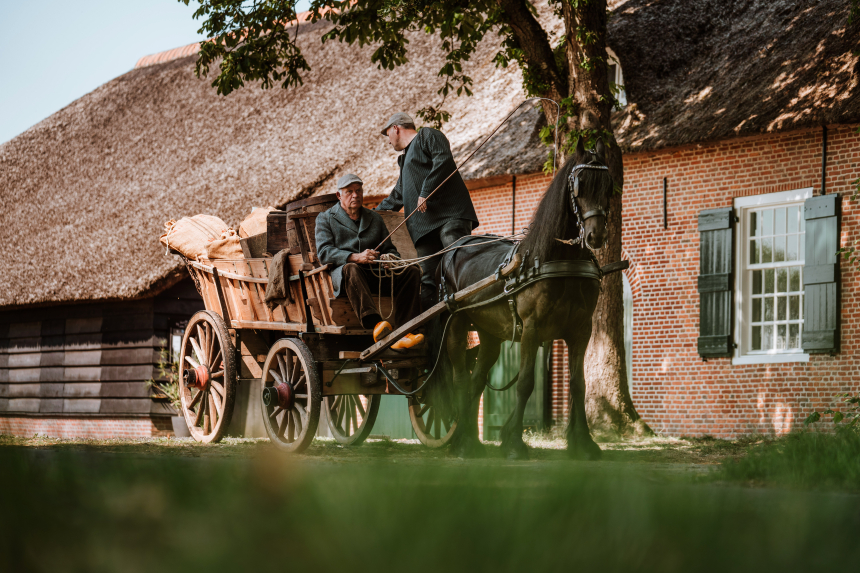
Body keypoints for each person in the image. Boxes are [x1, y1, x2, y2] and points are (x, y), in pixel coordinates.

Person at [376, 112, 479, 311]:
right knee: (428, 282)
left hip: (449, 217)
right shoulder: (404, 160)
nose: (388, 141)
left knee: (456, 263)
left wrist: (426, 191)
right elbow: (398, 194)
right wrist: (374, 213)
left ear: (395, 128)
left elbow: (444, 160)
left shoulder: (428, 136)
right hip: (423, 231)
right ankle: (434, 333)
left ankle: (475, 309)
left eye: (387, 134)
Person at [315, 173, 423, 349]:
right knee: (351, 268)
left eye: (358, 191)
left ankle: (406, 330)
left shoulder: (374, 218)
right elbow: (324, 253)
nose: (355, 195)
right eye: (349, 192)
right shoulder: (325, 218)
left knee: (411, 272)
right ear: (338, 195)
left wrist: (391, 258)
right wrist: (356, 257)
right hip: (347, 278)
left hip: (375, 274)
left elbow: (389, 249)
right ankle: (377, 325)